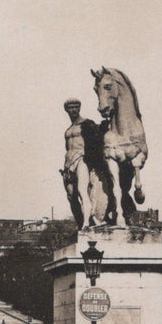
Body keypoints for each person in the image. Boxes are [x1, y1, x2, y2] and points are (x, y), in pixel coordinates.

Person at [60, 98, 96, 229]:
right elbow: (67, 148)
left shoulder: (87, 124)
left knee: (82, 190)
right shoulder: (68, 130)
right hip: (68, 165)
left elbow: (95, 142)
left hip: (81, 160)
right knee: (71, 196)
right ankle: (81, 223)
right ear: (67, 110)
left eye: (76, 107)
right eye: (71, 107)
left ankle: (86, 223)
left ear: (79, 108)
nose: (74, 110)